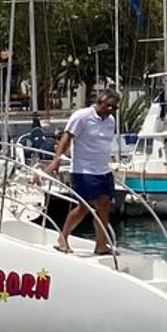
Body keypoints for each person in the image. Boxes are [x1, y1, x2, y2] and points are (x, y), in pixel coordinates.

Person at [44, 89, 120, 254]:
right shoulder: (82, 116)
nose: (111, 110)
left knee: (105, 205)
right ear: (99, 102)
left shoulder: (110, 121)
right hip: (83, 170)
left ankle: (101, 244)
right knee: (84, 206)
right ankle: (63, 238)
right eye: (109, 106)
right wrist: (57, 160)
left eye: (114, 107)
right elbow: (66, 138)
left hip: (103, 170)